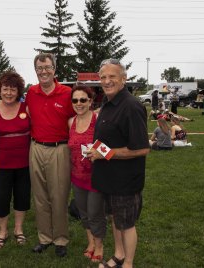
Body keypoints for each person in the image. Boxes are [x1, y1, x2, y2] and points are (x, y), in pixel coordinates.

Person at [86, 59, 150, 268]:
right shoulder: (106, 102)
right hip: (108, 177)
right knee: (115, 219)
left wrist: (105, 153)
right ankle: (118, 255)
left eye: (112, 76)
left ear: (124, 79)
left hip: (125, 180)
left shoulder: (131, 106)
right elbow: (108, 141)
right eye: (103, 77)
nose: (107, 81)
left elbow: (141, 148)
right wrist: (96, 150)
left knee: (127, 224)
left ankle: (128, 263)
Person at [26, 53, 75, 257]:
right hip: (36, 147)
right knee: (40, 197)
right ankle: (44, 238)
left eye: (47, 67)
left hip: (59, 149)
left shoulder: (67, 92)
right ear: (35, 70)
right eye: (39, 68)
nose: (43, 71)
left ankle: (61, 239)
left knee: (59, 195)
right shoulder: (31, 92)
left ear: (54, 69)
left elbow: (76, 121)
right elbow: (28, 114)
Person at [0, 71, 31, 249]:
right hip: (1, 164)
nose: (9, 93)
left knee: (22, 197)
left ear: (19, 91)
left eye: (13, 89)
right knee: (1, 198)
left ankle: (18, 230)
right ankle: (2, 232)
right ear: (0, 90)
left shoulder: (26, 107)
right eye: (6, 89)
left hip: (24, 163)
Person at [67, 84, 106, 262]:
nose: (79, 103)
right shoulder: (71, 122)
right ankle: (90, 242)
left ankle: (99, 246)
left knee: (95, 213)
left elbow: (108, 148)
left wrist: (98, 152)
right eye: (75, 100)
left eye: (83, 99)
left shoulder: (98, 120)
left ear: (90, 101)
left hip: (96, 177)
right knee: (83, 212)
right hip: (77, 176)